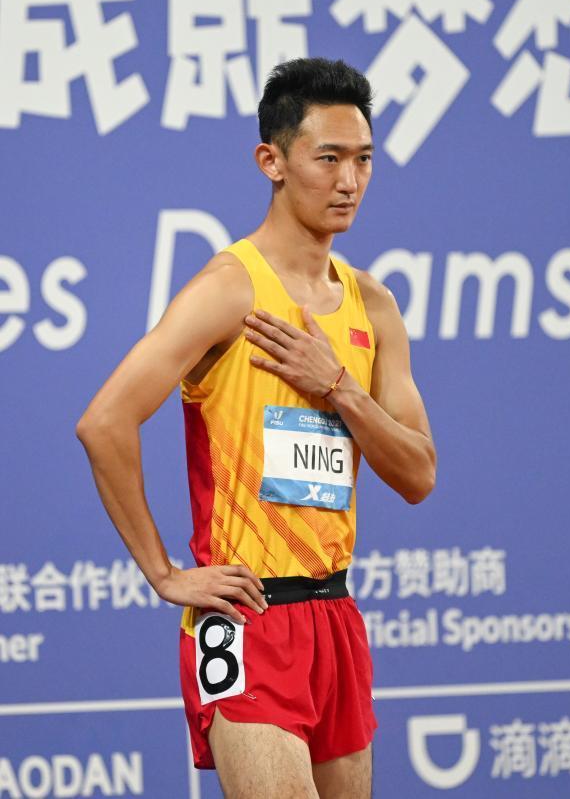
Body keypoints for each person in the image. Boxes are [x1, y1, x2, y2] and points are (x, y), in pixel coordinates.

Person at [76, 57, 436, 799]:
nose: (349, 181)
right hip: (246, 616)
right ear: (271, 161)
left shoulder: (373, 305)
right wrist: (164, 573)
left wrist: (338, 386)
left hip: (336, 613)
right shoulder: (228, 289)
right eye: (328, 158)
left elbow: (418, 474)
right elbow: (104, 421)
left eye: (364, 159)